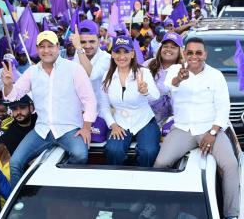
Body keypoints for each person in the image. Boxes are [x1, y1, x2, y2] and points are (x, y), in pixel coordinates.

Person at [154, 37, 240, 219]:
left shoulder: (216, 75)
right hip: (182, 129)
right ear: (184, 53)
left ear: (205, 55)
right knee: (160, 164)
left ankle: (231, 214)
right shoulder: (175, 70)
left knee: (230, 165)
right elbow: (168, 87)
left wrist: (213, 132)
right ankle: (161, 211)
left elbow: (223, 107)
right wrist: (179, 78)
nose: (194, 56)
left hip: (209, 129)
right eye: (190, 52)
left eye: (198, 52)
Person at [2, 31, 97, 188]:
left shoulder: (74, 69)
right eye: (42, 46)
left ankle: (63, 185)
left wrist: (86, 128)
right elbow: (13, 96)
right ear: (37, 49)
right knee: (15, 163)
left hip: (69, 129)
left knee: (80, 155)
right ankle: (19, 206)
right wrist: (7, 84)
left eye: (50, 46)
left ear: (58, 47)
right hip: (42, 130)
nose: (46, 50)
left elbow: (89, 100)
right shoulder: (32, 71)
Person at [99, 36, 161, 167]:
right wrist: (113, 125)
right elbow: (104, 106)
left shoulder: (143, 72)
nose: (122, 56)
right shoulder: (107, 76)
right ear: (112, 54)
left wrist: (145, 91)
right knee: (113, 150)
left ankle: (143, 181)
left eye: (126, 52)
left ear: (132, 53)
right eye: (118, 52)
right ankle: (116, 181)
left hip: (144, 120)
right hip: (120, 122)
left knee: (148, 152)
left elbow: (156, 96)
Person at [70, 20, 111, 142]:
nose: (87, 46)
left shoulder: (107, 58)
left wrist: (79, 48)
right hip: (79, 114)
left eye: (92, 41)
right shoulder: (77, 56)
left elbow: (91, 75)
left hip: (101, 114)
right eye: (83, 42)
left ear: (99, 40)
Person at [145, 32, 183, 126]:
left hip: (174, 124)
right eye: (165, 46)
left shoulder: (184, 70)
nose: (168, 49)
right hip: (146, 121)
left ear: (180, 51)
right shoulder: (148, 65)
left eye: (173, 47)